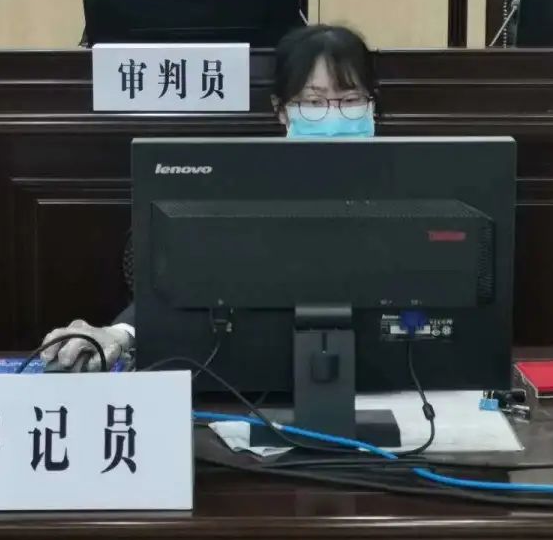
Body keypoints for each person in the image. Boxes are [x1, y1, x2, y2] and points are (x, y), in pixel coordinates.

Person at [40, 24, 376, 371]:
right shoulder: (238, 194)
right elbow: (182, 285)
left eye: (351, 100)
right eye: (314, 102)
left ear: (371, 105)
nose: (333, 116)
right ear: (280, 110)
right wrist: (118, 334)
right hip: (255, 381)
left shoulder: (408, 187)